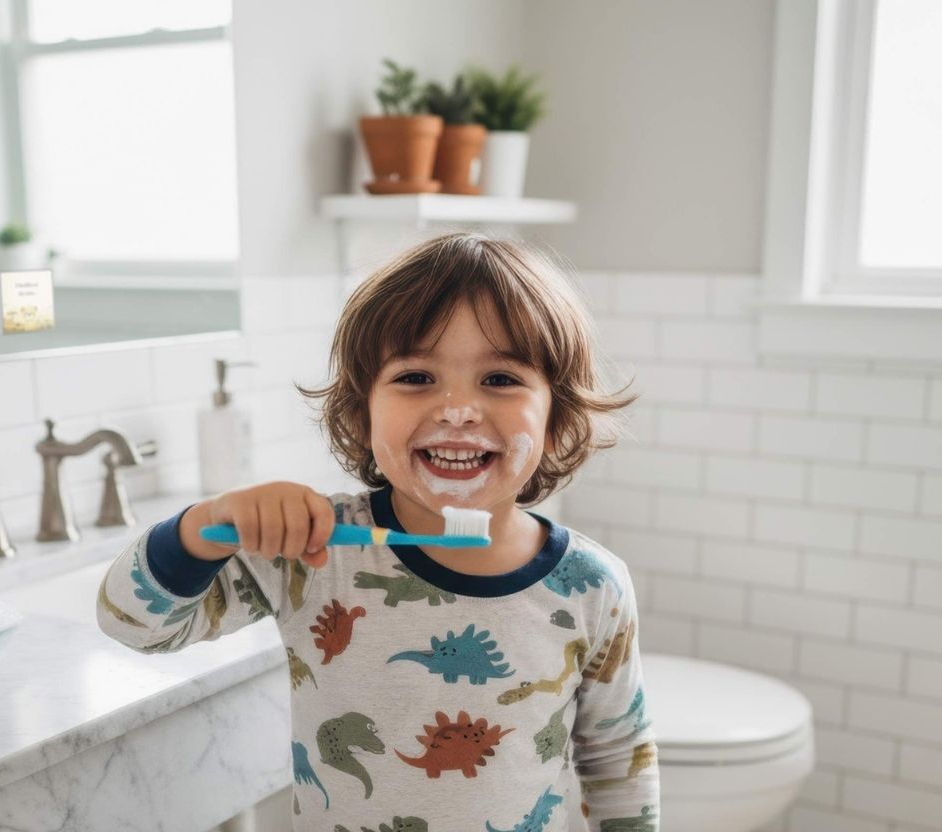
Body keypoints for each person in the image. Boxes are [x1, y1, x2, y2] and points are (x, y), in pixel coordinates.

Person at [96, 231, 660, 831]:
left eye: (500, 379)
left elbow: (617, 760)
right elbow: (134, 626)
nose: (457, 409)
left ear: (556, 418)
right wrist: (204, 528)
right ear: (362, 413)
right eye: (416, 377)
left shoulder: (592, 587)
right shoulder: (313, 551)